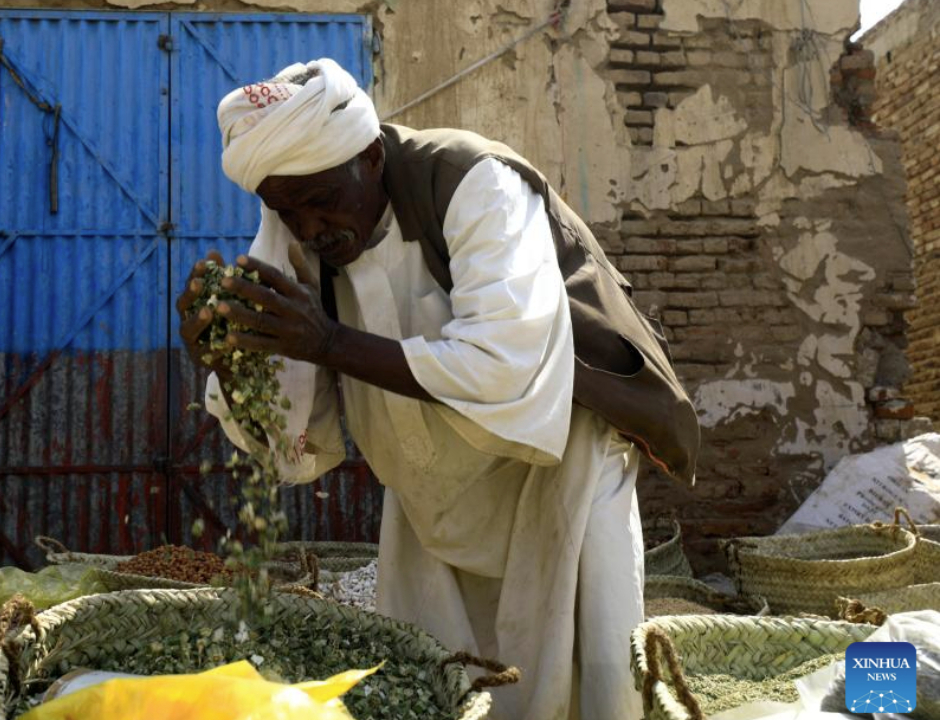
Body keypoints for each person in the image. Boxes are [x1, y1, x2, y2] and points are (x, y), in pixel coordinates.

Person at [176, 58, 700, 720]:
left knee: (584, 687)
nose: (307, 229)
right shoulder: (301, 245)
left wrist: (328, 342)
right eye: (285, 210)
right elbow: (304, 438)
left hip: (556, 481)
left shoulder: (474, 182)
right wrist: (230, 361)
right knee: (436, 688)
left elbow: (505, 363)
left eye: (319, 201)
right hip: (431, 504)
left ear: (368, 157)